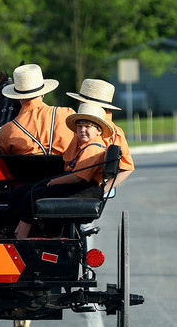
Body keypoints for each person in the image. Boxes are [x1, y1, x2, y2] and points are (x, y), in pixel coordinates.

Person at [10, 102, 114, 239]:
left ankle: (20, 237)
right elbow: (67, 162)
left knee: (33, 194)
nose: (83, 130)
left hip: (84, 190)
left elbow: (78, 177)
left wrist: (55, 181)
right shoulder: (84, 145)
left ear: (99, 131)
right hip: (77, 186)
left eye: (88, 126)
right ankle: (17, 229)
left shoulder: (93, 149)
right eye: (79, 126)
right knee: (20, 192)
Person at [66, 79, 134, 192]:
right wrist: (103, 190)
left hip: (76, 183)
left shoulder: (80, 127)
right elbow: (127, 168)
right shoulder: (117, 132)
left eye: (81, 102)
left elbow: (68, 160)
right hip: (94, 187)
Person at [0, 64, 75, 155]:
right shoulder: (67, 115)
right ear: (43, 94)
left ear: (18, 97)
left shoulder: (7, 131)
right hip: (67, 169)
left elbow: (4, 163)